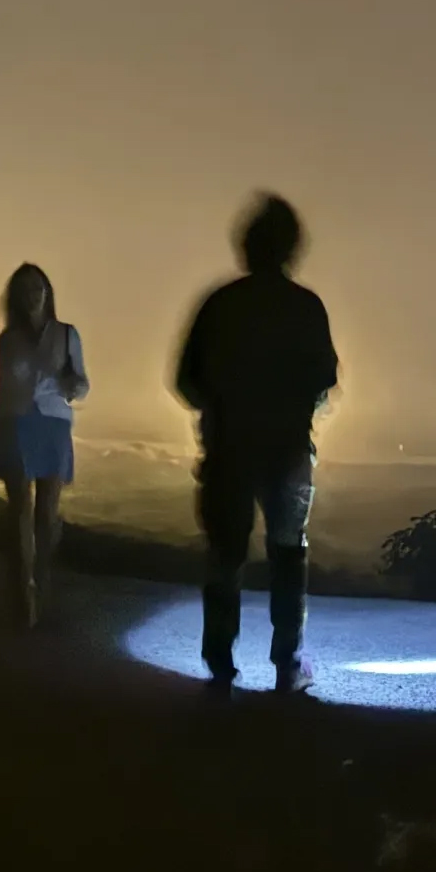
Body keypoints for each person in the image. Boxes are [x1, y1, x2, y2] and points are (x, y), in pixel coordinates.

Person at [174, 192, 338, 694]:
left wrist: (221, 407)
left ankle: (220, 661)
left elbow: (185, 380)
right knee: (289, 553)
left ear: (244, 246)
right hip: (287, 449)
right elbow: (324, 378)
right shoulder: (307, 307)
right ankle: (287, 661)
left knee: (225, 553)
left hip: (227, 449)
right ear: (293, 248)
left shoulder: (220, 304)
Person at [0, 264, 88, 627]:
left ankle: (41, 584)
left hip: (53, 424)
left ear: (47, 293)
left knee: (46, 514)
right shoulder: (6, 341)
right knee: (19, 512)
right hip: (16, 423)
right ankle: (22, 593)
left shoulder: (65, 334)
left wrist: (71, 384)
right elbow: (2, 392)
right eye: (26, 288)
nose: (33, 294)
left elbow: (82, 386)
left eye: (38, 287)